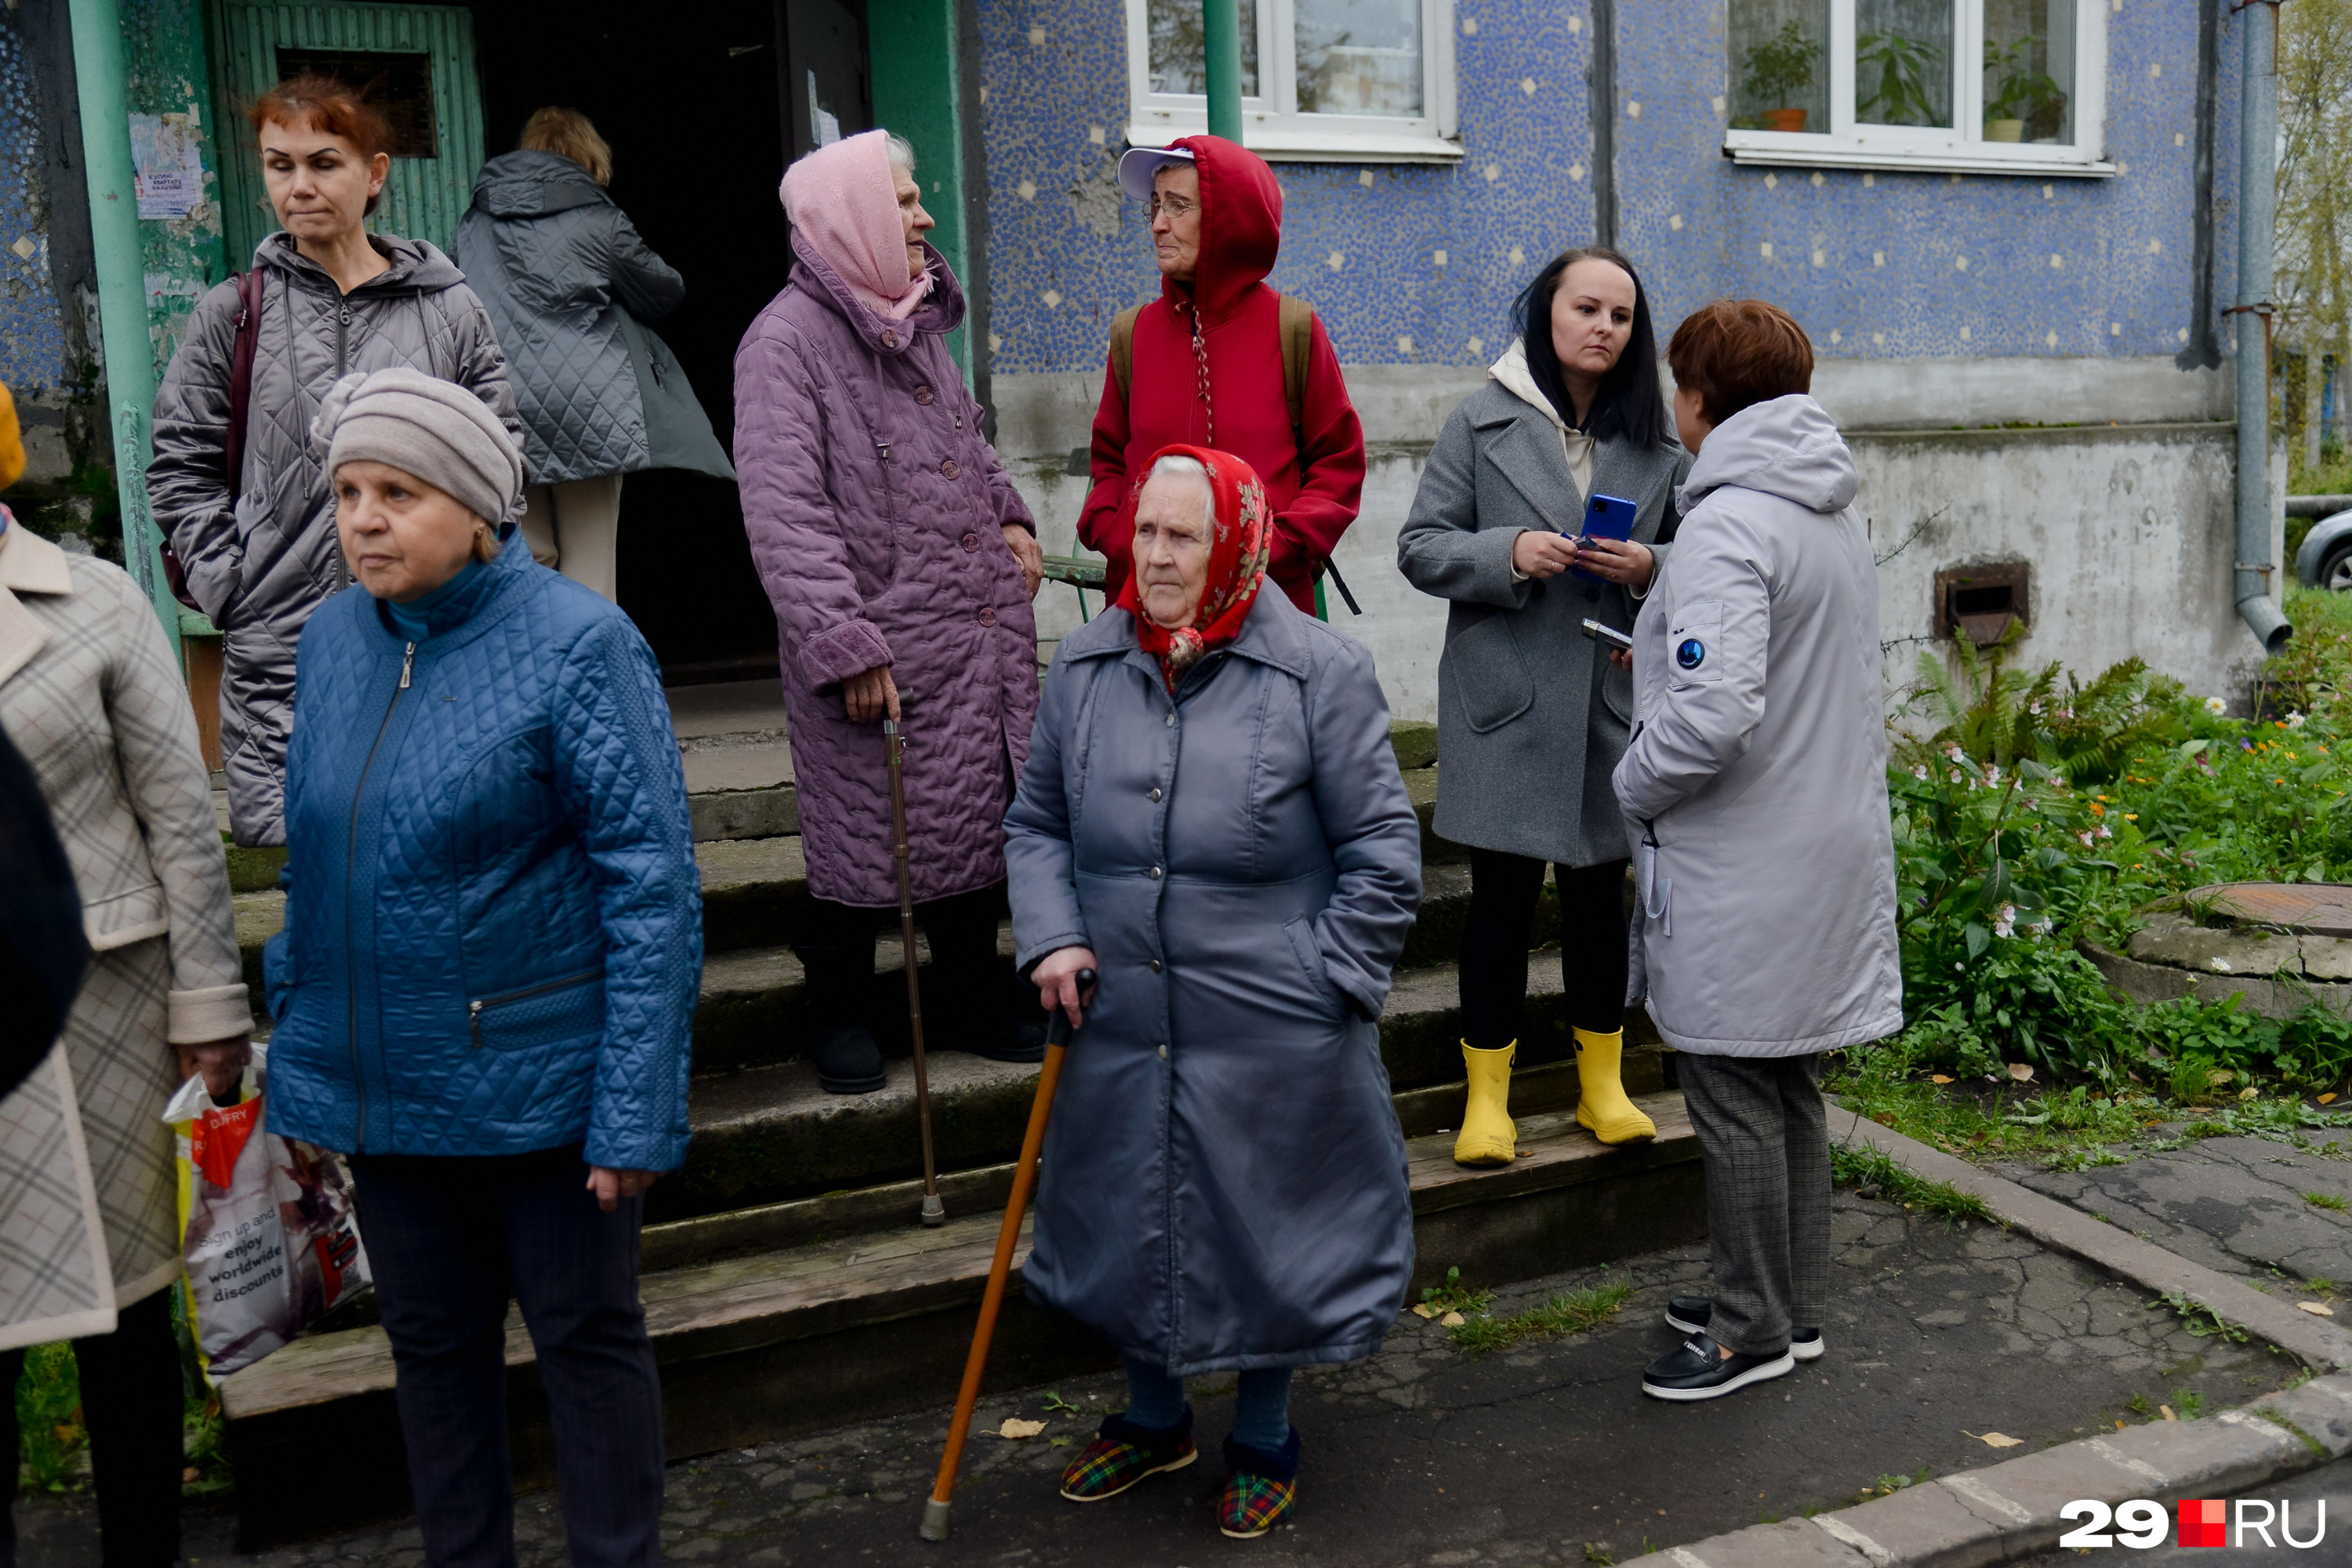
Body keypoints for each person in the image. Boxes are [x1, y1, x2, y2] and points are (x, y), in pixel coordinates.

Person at [260, 368, 701, 1563]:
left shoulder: (582, 645)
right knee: (435, 1361)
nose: (363, 519)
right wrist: (302, 1055)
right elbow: (321, 864)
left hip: (544, 1096)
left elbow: (652, 885)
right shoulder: (337, 640)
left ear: (475, 506)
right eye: (350, 491)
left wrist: (634, 1108)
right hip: (392, 1096)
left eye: (397, 491)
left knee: (588, 1346)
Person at [1007, 446, 1421, 1538]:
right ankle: (1153, 1419)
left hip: (1273, 1029)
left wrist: (1326, 978)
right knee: (1133, 1211)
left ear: (1235, 540)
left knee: (1266, 1227)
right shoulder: (1088, 666)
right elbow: (1038, 823)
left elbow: (1385, 851)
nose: (1155, 555)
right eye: (1144, 532)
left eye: (1181, 536)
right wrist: (1051, 937)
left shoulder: (1317, 673)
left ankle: (1264, 1433)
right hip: (1119, 1024)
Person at [1613, 299, 1900, 1401]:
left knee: (1731, 1091)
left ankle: (1748, 1332)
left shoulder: (1731, 523)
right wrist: (1659, 598)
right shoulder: (1821, 511)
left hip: (1744, 859)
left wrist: (1629, 782)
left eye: (1678, 383)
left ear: (1700, 400)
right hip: (1820, 846)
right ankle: (1797, 1307)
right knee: (1789, 1092)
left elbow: (1714, 713)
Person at [735, 129, 1047, 1096]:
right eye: (905, 201)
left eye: (917, 201)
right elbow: (785, 512)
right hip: (875, 641)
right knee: (863, 830)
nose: (923, 218)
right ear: (854, 217)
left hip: (967, 630)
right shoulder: (782, 343)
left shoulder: (912, 321)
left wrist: (1009, 514)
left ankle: (971, 989)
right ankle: (840, 1005)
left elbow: (968, 444)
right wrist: (844, 643)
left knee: (971, 816)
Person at [0, 387, 250, 1567]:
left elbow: (178, 820)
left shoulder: (91, 599)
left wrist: (208, 1008)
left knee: (129, 1318)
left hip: (101, 1015)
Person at [150, 74, 518, 848]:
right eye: (280, 165)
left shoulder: (448, 308)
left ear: (374, 173)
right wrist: (233, 589)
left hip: (432, 645)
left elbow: (499, 462)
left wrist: (473, 588)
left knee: (434, 859)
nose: (300, 185)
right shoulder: (233, 312)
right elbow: (179, 466)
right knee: (310, 872)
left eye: (324, 162)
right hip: (281, 653)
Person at [1396, 246, 1692, 1167]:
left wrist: (1652, 567)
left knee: (1603, 902)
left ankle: (1602, 1089)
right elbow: (1420, 546)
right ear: (1547, 314)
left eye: (1621, 316)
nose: (1604, 327)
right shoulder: (1480, 420)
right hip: (1507, 701)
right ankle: (1488, 1102)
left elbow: (1707, 554)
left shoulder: (1659, 441)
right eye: (1586, 309)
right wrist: (1510, 552)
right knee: (1500, 906)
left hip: (1609, 697)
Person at [454, 107, 735, 602]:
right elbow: (663, 293)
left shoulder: (473, 223)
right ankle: (587, 670)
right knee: (590, 558)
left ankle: (535, 668)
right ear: (588, 159)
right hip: (590, 405)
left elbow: (455, 302)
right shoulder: (600, 219)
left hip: (498, 402)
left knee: (527, 551)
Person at [1080, 136, 1366, 615]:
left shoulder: (1293, 328)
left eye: (1178, 206)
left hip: (1267, 607)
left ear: (1228, 219)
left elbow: (1338, 463)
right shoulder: (1133, 333)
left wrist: (1277, 550)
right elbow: (1108, 460)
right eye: (1154, 206)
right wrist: (1117, 535)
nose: (1157, 224)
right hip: (1144, 604)